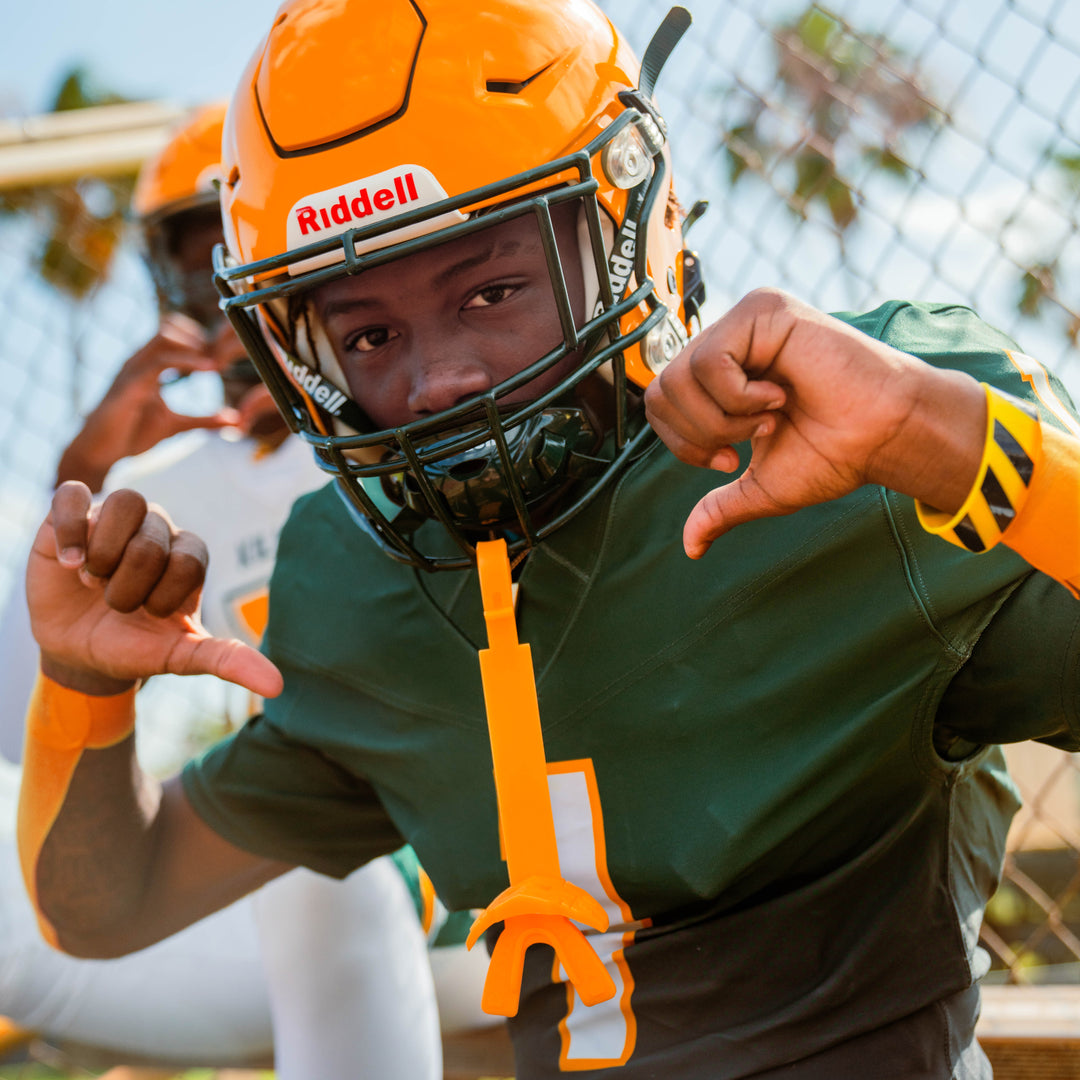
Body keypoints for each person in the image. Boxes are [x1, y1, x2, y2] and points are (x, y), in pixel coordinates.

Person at [17, 1, 1080, 1078]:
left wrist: (951, 440)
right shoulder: (351, 578)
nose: (439, 378)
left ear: (631, 230)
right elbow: (111, 907)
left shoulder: (852, 449)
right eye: (371, 334)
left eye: (492, 290)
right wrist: (82, 687)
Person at [0, 104, 477, 1079]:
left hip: (477, 860)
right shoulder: (175, 489)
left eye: (250, 258)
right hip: (308, 905)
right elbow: (14, 752)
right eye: (200, 272)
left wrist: (341, 425)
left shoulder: (440, 420)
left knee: (312, 871)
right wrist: (76, 490)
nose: (234, 303)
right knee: (293, 869)